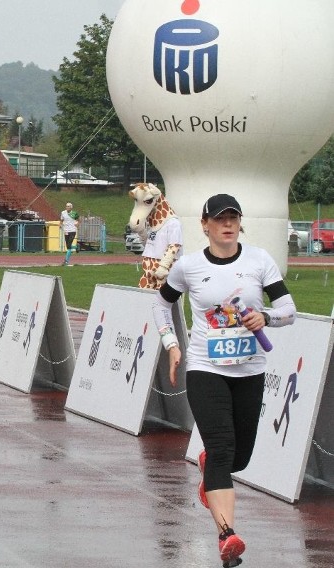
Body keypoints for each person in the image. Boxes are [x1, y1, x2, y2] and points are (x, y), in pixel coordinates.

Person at [151, 194, 296, 567]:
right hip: (205, 368)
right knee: (221, 446)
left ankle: (210, 470)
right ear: (205, 225)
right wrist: (171, 344)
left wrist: (266, 316)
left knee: (239, 457)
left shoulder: (259, 260)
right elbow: (161, 303)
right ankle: (227, 536)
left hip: (249, 369)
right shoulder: (188, 267)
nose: (227, 225)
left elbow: (288, 310)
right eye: (219, 219)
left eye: (233, 218)